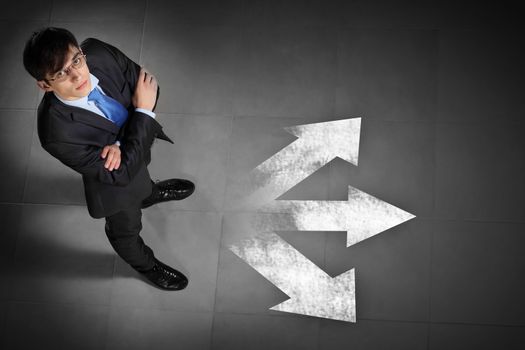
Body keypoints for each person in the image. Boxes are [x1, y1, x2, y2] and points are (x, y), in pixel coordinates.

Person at [22, 27, 194, 291]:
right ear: (45, 85)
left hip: (132, 152)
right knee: (125, 230)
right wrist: (143, 114)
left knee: (141, 172)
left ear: (81, 51)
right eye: (60, 73)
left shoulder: (100, 53)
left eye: (76, 60)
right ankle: (146, 265)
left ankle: (148, 194)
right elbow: (120, 173)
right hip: (112, 186)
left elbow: (150, 88)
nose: (77, 74)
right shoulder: (55, 134)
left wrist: (118, 143)